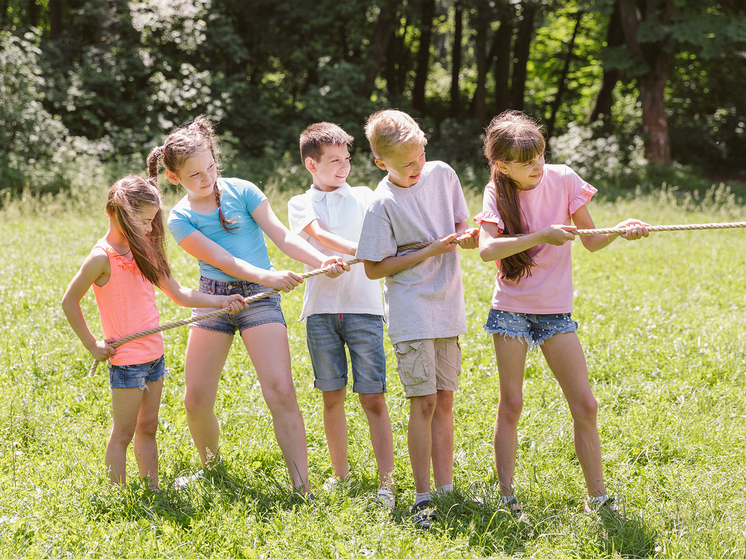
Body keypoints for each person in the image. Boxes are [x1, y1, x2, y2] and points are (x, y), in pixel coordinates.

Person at [148, 116, 348, 495]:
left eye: (210, 167)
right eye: (195, 175)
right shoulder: (180, 218)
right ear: (175, 178)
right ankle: (211, 468)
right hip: (214, 298)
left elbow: (283, 236)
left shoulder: (242, 191)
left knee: (280, 390)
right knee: (195, 399)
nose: (207, 179)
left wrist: (319, 261)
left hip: (259, 299)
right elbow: (224, 261)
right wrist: (270, 276)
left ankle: (301, 487)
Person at [475, 110, 649, 515]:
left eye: (539, 155)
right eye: (525, 162)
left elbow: (590, 240)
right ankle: (505, 495)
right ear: (501, 165)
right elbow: (486, 249)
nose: (537, 166)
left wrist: (621, 229)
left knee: (585, 404)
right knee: (512, 403)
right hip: (512, 310)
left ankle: (598, 498)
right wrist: (541, 236)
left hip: (555, 312)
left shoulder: (564, 178)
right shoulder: (495, 192)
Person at [62, 175, 246, 489]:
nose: (149, 228)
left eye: (151, 220)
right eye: (143, 221)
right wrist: (92, 344)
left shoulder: (145, 251)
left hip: (154, 357)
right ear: (115, 212)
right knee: (123, 432)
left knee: (148, 426)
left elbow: (180, 294)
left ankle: (152, 489)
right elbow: (69, 302)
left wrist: (222, 300)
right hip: (127, 362)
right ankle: (117, 496)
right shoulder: (101, 258)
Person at [355, 109, 479, 527]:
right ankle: (422, 495)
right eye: (406, 164)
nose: (417, 167)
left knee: (445, 399)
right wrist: (431, 249)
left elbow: (462, 223)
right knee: (422, 401)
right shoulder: (382, 203)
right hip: (411, 311)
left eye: (420, 156)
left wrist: (470, 234)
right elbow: (373, 268)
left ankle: (446, 491)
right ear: (380, 163)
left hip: (448, 304)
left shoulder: (443, 174)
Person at [287, 122, 396, 509]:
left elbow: (385, 232)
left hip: (364, 310)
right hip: (321, 313)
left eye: (347, 159)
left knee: (373, 397)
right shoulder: (301, 203)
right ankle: (340, 475)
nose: (343, 167)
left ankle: (387, 483)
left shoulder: (366, 195)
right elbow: (315, 234)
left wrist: (366, 251)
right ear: (311, 164)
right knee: (331, 396)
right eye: (334, 161)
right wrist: (354, 251)